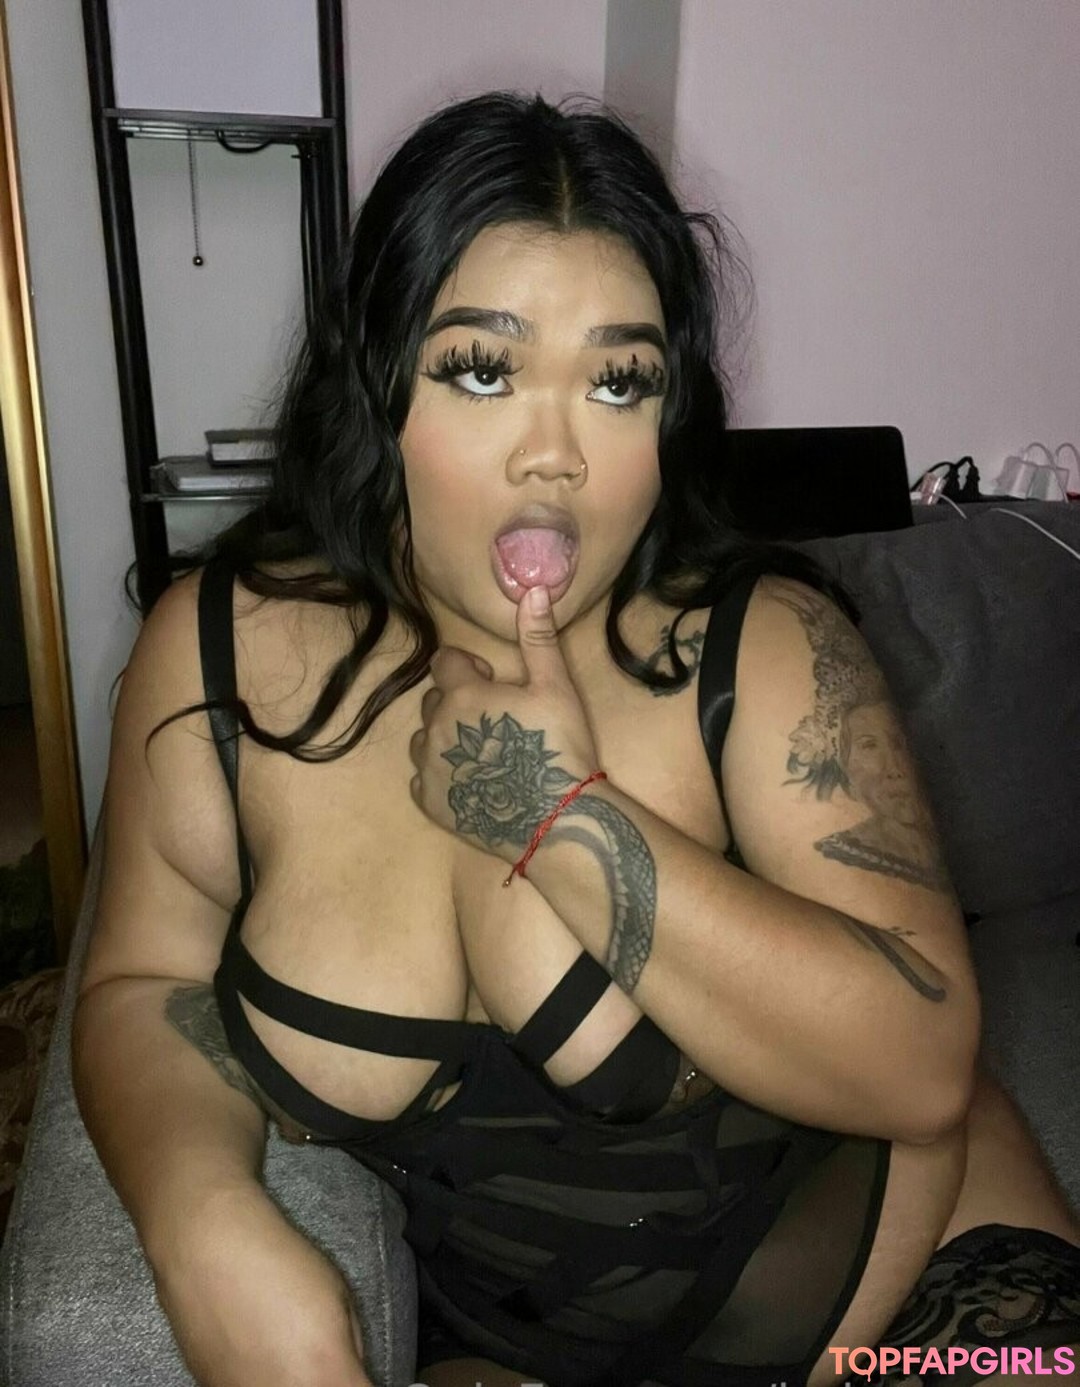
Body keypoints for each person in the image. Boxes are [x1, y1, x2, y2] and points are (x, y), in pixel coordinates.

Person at [73, 93, 1080, 1387]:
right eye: (482, 369)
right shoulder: (220, 653)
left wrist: (561, 816)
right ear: (381, 378)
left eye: (617, 382)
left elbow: (923, 1071)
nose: (554, 456)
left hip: (908, 1275)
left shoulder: (760, 644)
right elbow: (140, 983)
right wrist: (198, 1221)